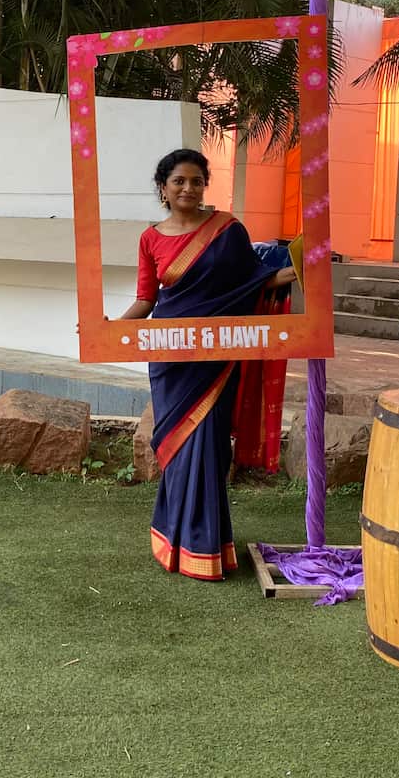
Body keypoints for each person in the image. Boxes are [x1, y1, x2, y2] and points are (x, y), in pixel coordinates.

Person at [120, 149, 295, 581]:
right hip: (171, 359)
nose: (189, 188)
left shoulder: (228, 230)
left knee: (211, 447)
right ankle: (173, 543)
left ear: (204, 186)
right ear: (163, 187)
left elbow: (258, 279)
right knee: (176, 450)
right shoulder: (150, 239)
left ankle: (205, 547)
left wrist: (305, 265)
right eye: (179, 181)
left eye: (197, 181)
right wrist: (108, 330)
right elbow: (146, 300)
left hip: (214, 358)